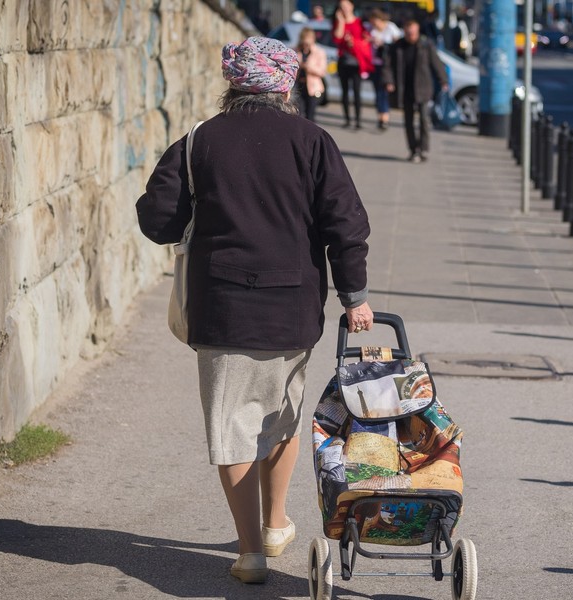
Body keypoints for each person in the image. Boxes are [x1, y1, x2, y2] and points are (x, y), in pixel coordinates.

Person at [135, 36, 374, 584]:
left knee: (231, 426)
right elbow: (347, 225)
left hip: (221, 308)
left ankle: (251, 553)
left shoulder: (199, 141)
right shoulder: (313, 141)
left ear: (233, 84)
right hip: (292, 308)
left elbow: (158, 222)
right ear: (285, 84)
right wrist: (354, 297)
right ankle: (273, 523)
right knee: (281, 416)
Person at [384, 19, 448, 163]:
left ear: (417, 31)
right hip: (405, 89)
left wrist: (443, 80)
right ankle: (413, 150)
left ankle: (424, 149)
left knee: (424, 120)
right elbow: (387, 65)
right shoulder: (398, 46)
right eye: (408, 33)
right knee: (408, 121)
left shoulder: (426, 45)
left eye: (413, 32)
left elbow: (436, 63)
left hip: (423, 87)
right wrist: (388, 81)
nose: (410, 35)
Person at [333, 0, 373, 129]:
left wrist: (354, 42)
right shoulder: (338, 22)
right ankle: (347, 120)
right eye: (341, 7)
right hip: (343, 61)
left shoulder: (359, 22)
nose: (344, 8)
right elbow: (337, 38)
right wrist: (341, 21)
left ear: (352, 6)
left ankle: (358, 120)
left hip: (356, 63)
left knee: (356, 91)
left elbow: (366, 39)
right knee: (344, 92)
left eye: (346, 6)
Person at [367, 10, 401, 130]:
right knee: (377, 92)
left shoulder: (391, 27)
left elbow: (397, 44)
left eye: (374, 21)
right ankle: (380, 117)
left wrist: (383, 43)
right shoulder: (371, 30)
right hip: (374, 64)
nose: (373, 24)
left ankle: (385, 118)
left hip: (386, 65)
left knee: (384, 91)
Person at [295, 28, 328, 121]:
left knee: (310, 115)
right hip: (299, 86)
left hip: (313, 87)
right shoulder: (297, 50)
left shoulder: (319, 52)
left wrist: (308, 67)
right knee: (299, 113)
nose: (305, 45)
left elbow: (322, 71)